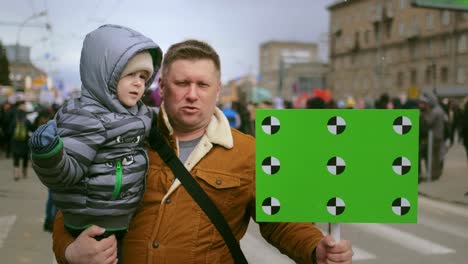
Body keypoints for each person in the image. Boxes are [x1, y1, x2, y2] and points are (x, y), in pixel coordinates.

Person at [52, 39, 353, 264]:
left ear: (218, 89)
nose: (192, 95)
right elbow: (75, 208)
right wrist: (70, 251)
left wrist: (316, 248)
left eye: (203, 84)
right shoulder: (121, 136)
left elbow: (282, 220)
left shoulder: (249, 152)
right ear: (162, 87)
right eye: (182, 83)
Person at [28, 24, 162, 261]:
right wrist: (49, 154)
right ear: (105, 75)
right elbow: (65, 175)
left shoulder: (138, 112)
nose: (139, 83)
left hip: (120, 219)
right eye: (130, 74)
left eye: (144, 76)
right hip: (93, 224)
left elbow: (161, 118)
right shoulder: (86, 117)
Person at [9, 101, 34, 181]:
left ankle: (16, 173)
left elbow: (9, 130)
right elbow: (32, 128)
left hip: (15, 141)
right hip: (24, 141)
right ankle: (24, 172)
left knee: (16, 157)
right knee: (25, 157)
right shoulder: (26, 120)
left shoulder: (14, 120)